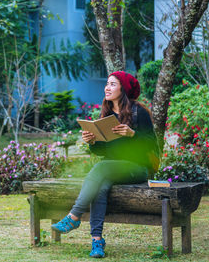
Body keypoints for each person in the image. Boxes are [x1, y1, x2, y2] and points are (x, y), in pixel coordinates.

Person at [51, 71, 158, 258]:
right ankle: (96, 241)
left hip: (138, 169)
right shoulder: (106, 115)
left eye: (112, 84)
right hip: (113, 169)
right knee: (101, 187)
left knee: (101, 167)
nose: (107, 87)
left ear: (123, 89)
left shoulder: (138, 112)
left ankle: (74, 216)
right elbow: (103, 151)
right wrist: (92, 142)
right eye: (107, 84)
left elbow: (153, 144)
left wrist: (133, 134)